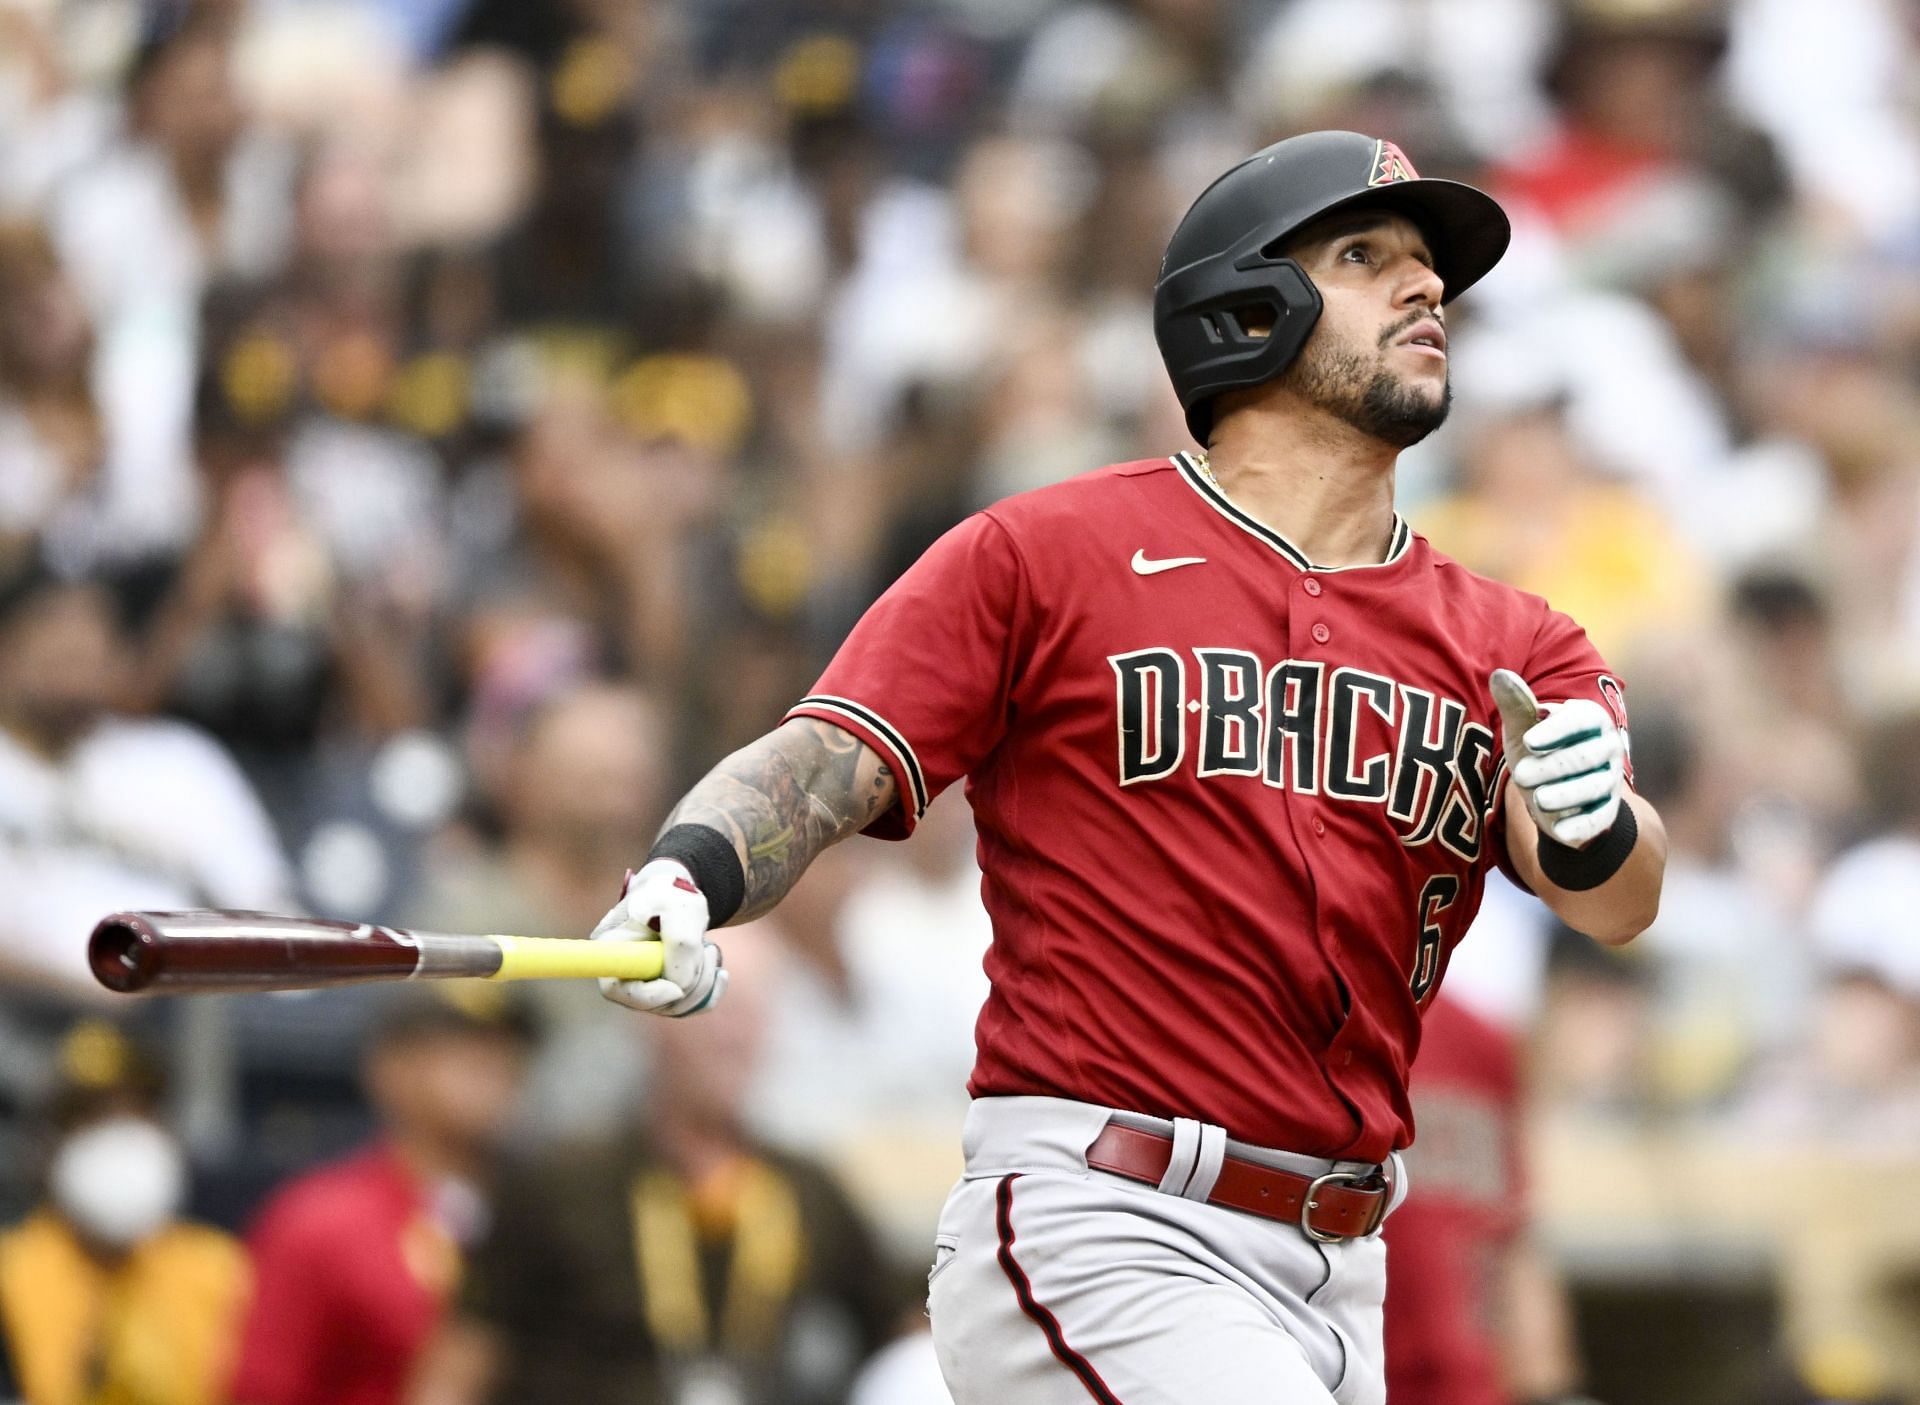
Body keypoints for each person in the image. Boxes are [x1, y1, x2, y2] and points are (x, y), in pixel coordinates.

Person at [589, 130, 1668, 1405]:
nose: (1427, 288)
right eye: (1369, 256)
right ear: (1242, 308)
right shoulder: (1050, 553)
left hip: (1344, 1263)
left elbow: (1616, 898)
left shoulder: (1515, 638)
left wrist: (1592, 819)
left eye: (1432, 267)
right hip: (1105, 1215)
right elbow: (830, 756)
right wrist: (685, 872)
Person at [407, 929, 900, 1405]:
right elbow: (462, 1365)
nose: (732, 1035)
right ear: (653, 1019)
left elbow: (906, 1336)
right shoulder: (560, 1182)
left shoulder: (811, 1191)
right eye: (714, 1005)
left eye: (752, 1011)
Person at [227, 992, 531, 1405]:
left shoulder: (546, 1212)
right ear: (391, 1068)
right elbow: (263, 1389)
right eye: (460, 1051)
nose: (492, 1069)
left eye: (505, 1051)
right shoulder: (320, 1222)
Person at [0, 1022, 248, 1405]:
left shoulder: (221, 1271)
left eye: (139, 1113)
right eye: (92, 1118)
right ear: (47, 1143)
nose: (120, 1137)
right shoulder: (10, 1270)